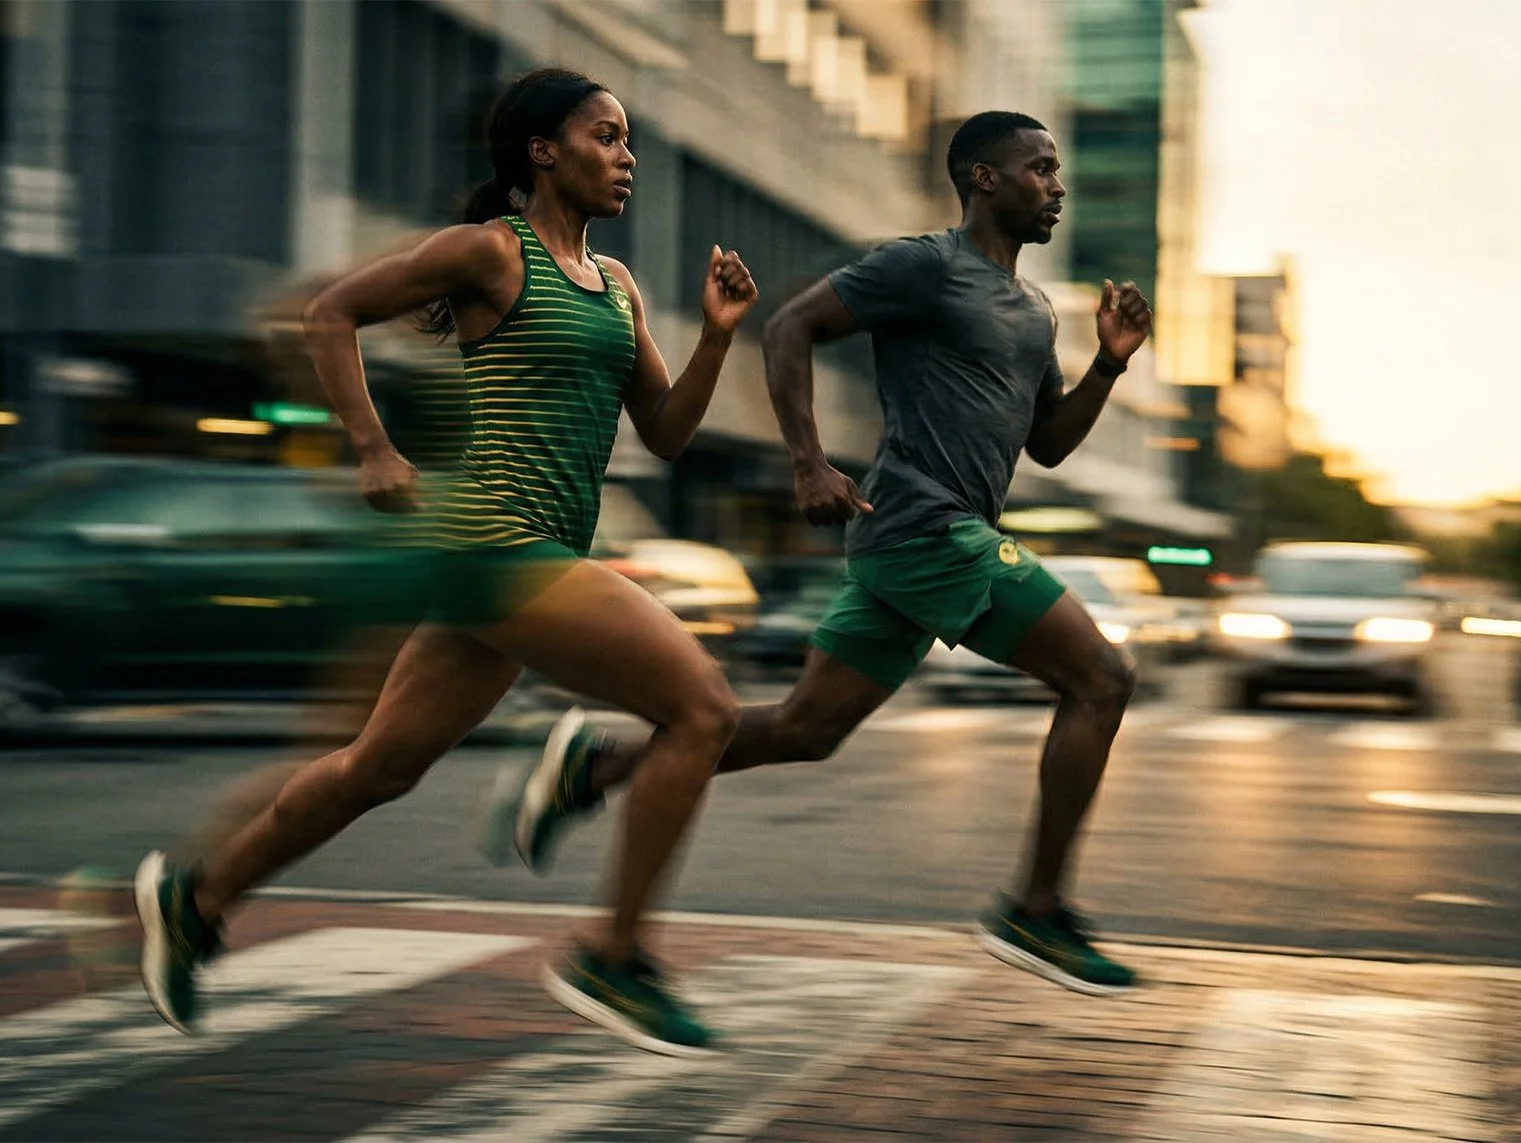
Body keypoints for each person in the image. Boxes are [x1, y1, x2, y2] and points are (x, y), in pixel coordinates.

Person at [134, 67, 758, 1056]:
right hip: (498, 545)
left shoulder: (617, 286)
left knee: (374, 770)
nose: (626, 156)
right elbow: (329, 313)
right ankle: (617, 954)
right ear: (540, 153)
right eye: (604, 136)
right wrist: (370, 445)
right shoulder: (488, 253)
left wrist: (717, 340)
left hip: (522, 556)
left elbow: (668, 432)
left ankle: (197, 901)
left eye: (628, 139)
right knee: (704, 710)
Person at [488, 110, 1152, 996]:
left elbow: (1051, 446)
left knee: (806, 730)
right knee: (1101, 678)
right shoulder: (924, 265)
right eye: (1040, 169)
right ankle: (1036, 909)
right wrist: (807, 459)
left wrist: (1108, 364)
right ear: (985, 180)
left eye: (1057, 171)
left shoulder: (1033, 312)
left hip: (923, 544)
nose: (1057, 187)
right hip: (928, 529)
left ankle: (593, 766)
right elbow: (792, 325)